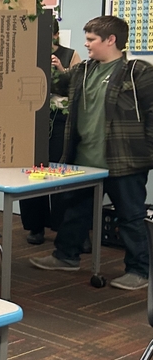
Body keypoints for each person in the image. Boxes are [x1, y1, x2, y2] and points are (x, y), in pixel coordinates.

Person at [30, 15, 153, 290]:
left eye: (91, 39)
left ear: (111, 40)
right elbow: (53, 84)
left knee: (130, 216)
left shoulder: (138, 73)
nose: (86, 44)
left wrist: (147, 151)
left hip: (124, 162)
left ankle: (139, 270)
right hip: (85, 161)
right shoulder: (84, 70)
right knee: (75, 211)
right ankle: (66, 256)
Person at [19, 16, 83, 245]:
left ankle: (62, 226)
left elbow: (77, 88)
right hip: (33, 119)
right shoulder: (27, 53)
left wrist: (61, 69)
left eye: (48, 36)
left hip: (60, 121)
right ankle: (35, 226)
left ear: (56, 35)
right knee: (32, 173)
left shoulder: (70, 55)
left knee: (58, 171)